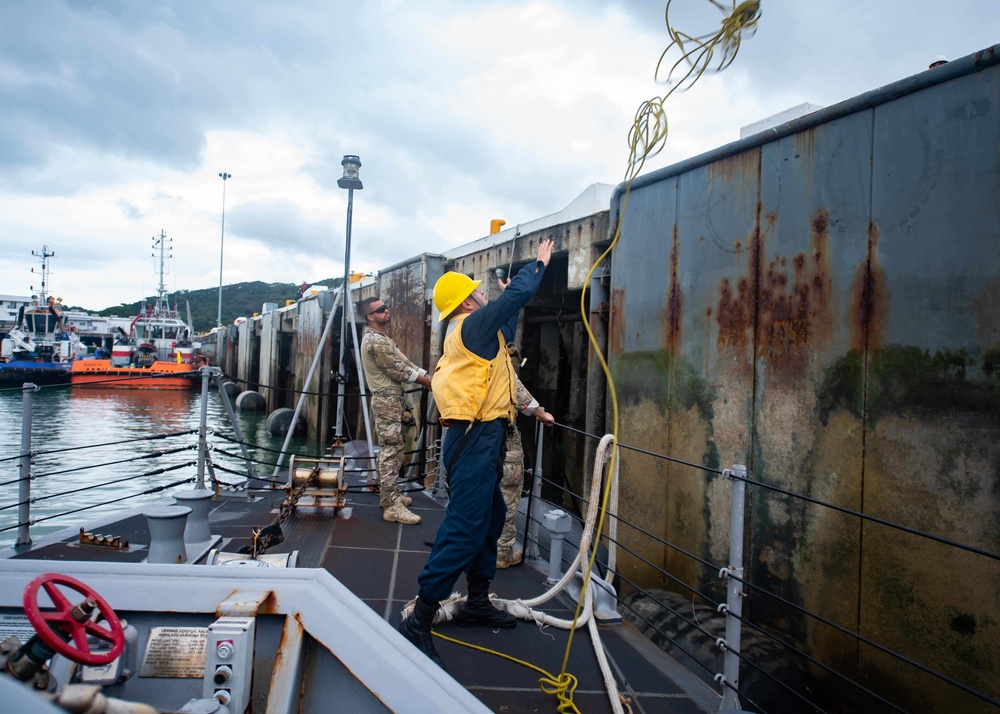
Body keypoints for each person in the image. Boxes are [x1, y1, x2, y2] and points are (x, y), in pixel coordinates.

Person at [398, 237, 554, 668]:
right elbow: (517, 297)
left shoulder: (473, 333)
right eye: (476, 290)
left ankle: (478, 601)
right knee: (465, 527)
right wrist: (537, 266)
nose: (483, 292)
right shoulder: (471, 326)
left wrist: (509, 296)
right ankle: (421, 618)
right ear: (467, 302)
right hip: (473, 439)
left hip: (483, 437)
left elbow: (506, 322)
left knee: (491, 519)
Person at [358, 296, 432, 525]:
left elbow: (405, 362)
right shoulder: (376, 341)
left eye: (386, 307)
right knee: (391, 451)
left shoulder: (381, 338)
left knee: (394, 448)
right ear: (370, 316)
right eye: (381, 310)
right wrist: (430, 382)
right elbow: (397, 370)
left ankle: (390, 496)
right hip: (386, 400)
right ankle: (391, 505)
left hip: (391, 399)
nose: (387, 311)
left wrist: (426, 374)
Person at [497, 377, 554, 569]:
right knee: (507, 496)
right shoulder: (494, 354)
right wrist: (540, 414)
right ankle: (502, 552)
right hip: (502, 439)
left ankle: (475, 548)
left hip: (470, 440)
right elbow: (513, 386)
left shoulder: (460, 358)